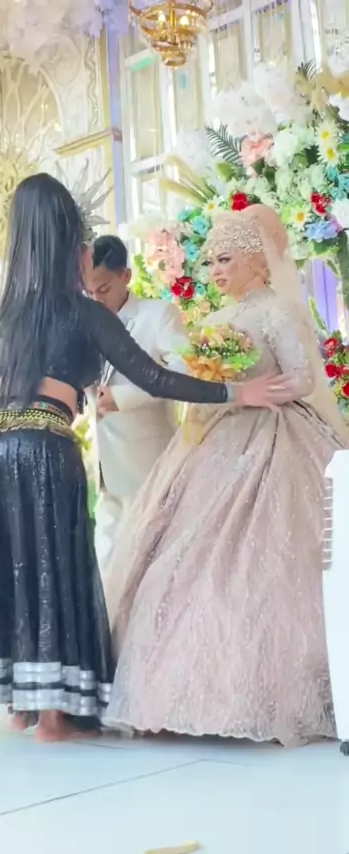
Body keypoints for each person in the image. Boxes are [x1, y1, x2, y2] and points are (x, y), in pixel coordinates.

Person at [0, 175, 291, 743]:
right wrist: (237, 391)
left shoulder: (12, 313)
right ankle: (53, 719)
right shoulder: (86, 313)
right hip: (43, 448)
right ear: (74, 246)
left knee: (13, 567)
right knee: (52, 569)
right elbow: (155, 378)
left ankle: (20, 706)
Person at [104, 204, 348, 748]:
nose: (215, 270)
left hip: (273, 437)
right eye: (211, 261)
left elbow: (304, 378)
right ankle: (169, 691)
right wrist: (223, 386)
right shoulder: (214, 320)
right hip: (214, 438)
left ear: (257, 261)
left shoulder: (276, 313)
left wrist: (252, 389)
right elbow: (190, 378)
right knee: (179, 554)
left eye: (226, 259)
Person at [85, 235, 188, 573]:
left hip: (149, 467)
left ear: (126, 276)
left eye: (103, 289)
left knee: (153, 569)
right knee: (106, 569)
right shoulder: (84, 324)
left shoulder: (159, 315)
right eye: (88, 292)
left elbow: (184, 373)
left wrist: (123, 398)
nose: (95, 300)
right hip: (104, 468)